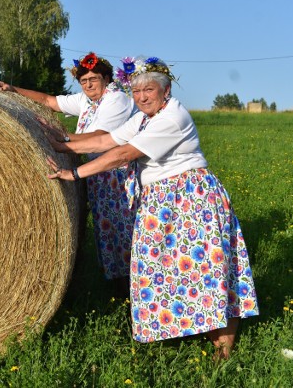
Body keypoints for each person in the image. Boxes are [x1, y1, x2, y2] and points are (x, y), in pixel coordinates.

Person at [44, 56, 258, 359]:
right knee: (158, 264)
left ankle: (222, 350)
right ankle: (180, 327)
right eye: (137, 91)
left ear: (166, 90)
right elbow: (108, 140)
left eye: (149, 90)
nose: (142, 96)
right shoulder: (144, 117)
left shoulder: (172, 117)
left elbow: (123, 154)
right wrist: (59, 144)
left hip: (191, 198)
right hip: (160, 198)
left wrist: (74, 173)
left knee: (206, 267)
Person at [0, 52, 136, 293]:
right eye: (83, 81)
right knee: (110, 236)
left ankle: (133, 292)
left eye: (93, 79)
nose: (88, 85)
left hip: (118, 177)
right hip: (97, 175)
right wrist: (12, 89)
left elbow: (101, 137)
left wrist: (62, 140)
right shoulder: (87, 100)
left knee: (126, 233)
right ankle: (121, 294)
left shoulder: (115, 100)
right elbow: (48, 101)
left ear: (106, 79)